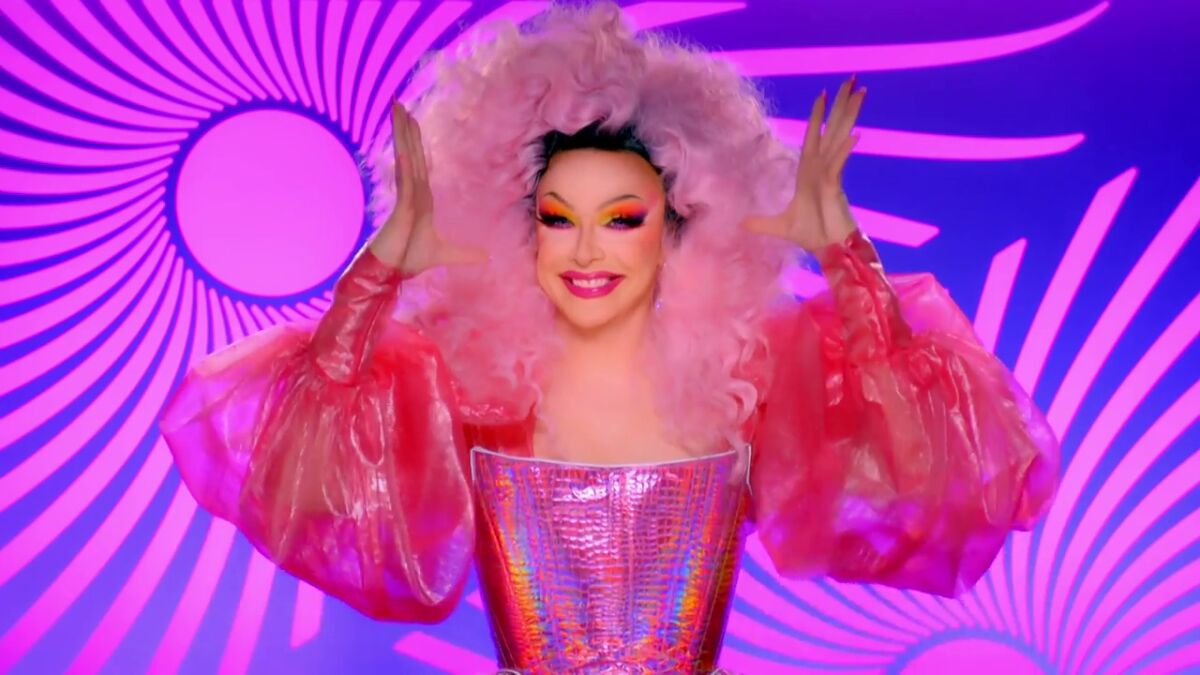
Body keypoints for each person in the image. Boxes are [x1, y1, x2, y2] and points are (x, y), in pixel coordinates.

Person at [159, 4, 1059, 673]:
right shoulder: (473, 395)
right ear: (524, 231)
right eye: (558, 218)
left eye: (622, 219)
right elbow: (306, 459)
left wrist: (845, 256)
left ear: (681, 226)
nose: (587, 250)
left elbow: (930, 457)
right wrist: (380, 271)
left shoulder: (743, 389)